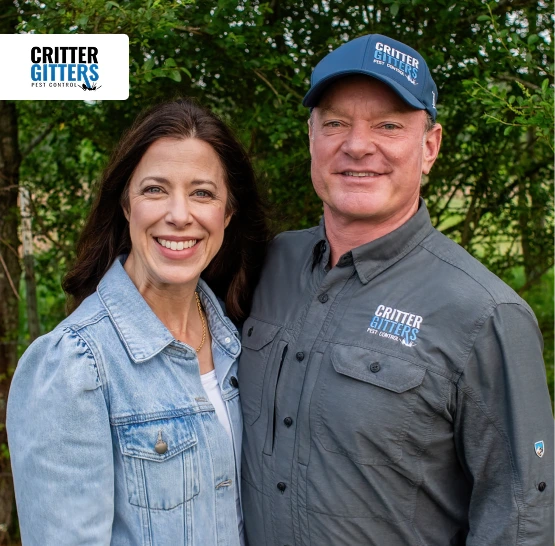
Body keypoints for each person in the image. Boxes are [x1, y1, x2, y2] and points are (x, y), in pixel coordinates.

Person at [239, 34, 555, 545]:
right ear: (312, 139)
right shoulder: (269, 265)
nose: (358, 144)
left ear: (429, 147)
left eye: (388, 125)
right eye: (336, 123)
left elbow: (523, 520)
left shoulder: (486, 315)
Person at [7, 98, 269, 546]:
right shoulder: (75, 365)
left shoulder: (236, 338)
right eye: (155, 190)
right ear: (127, 206)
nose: (180, 214)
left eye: (202, 193)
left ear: (227, 214)